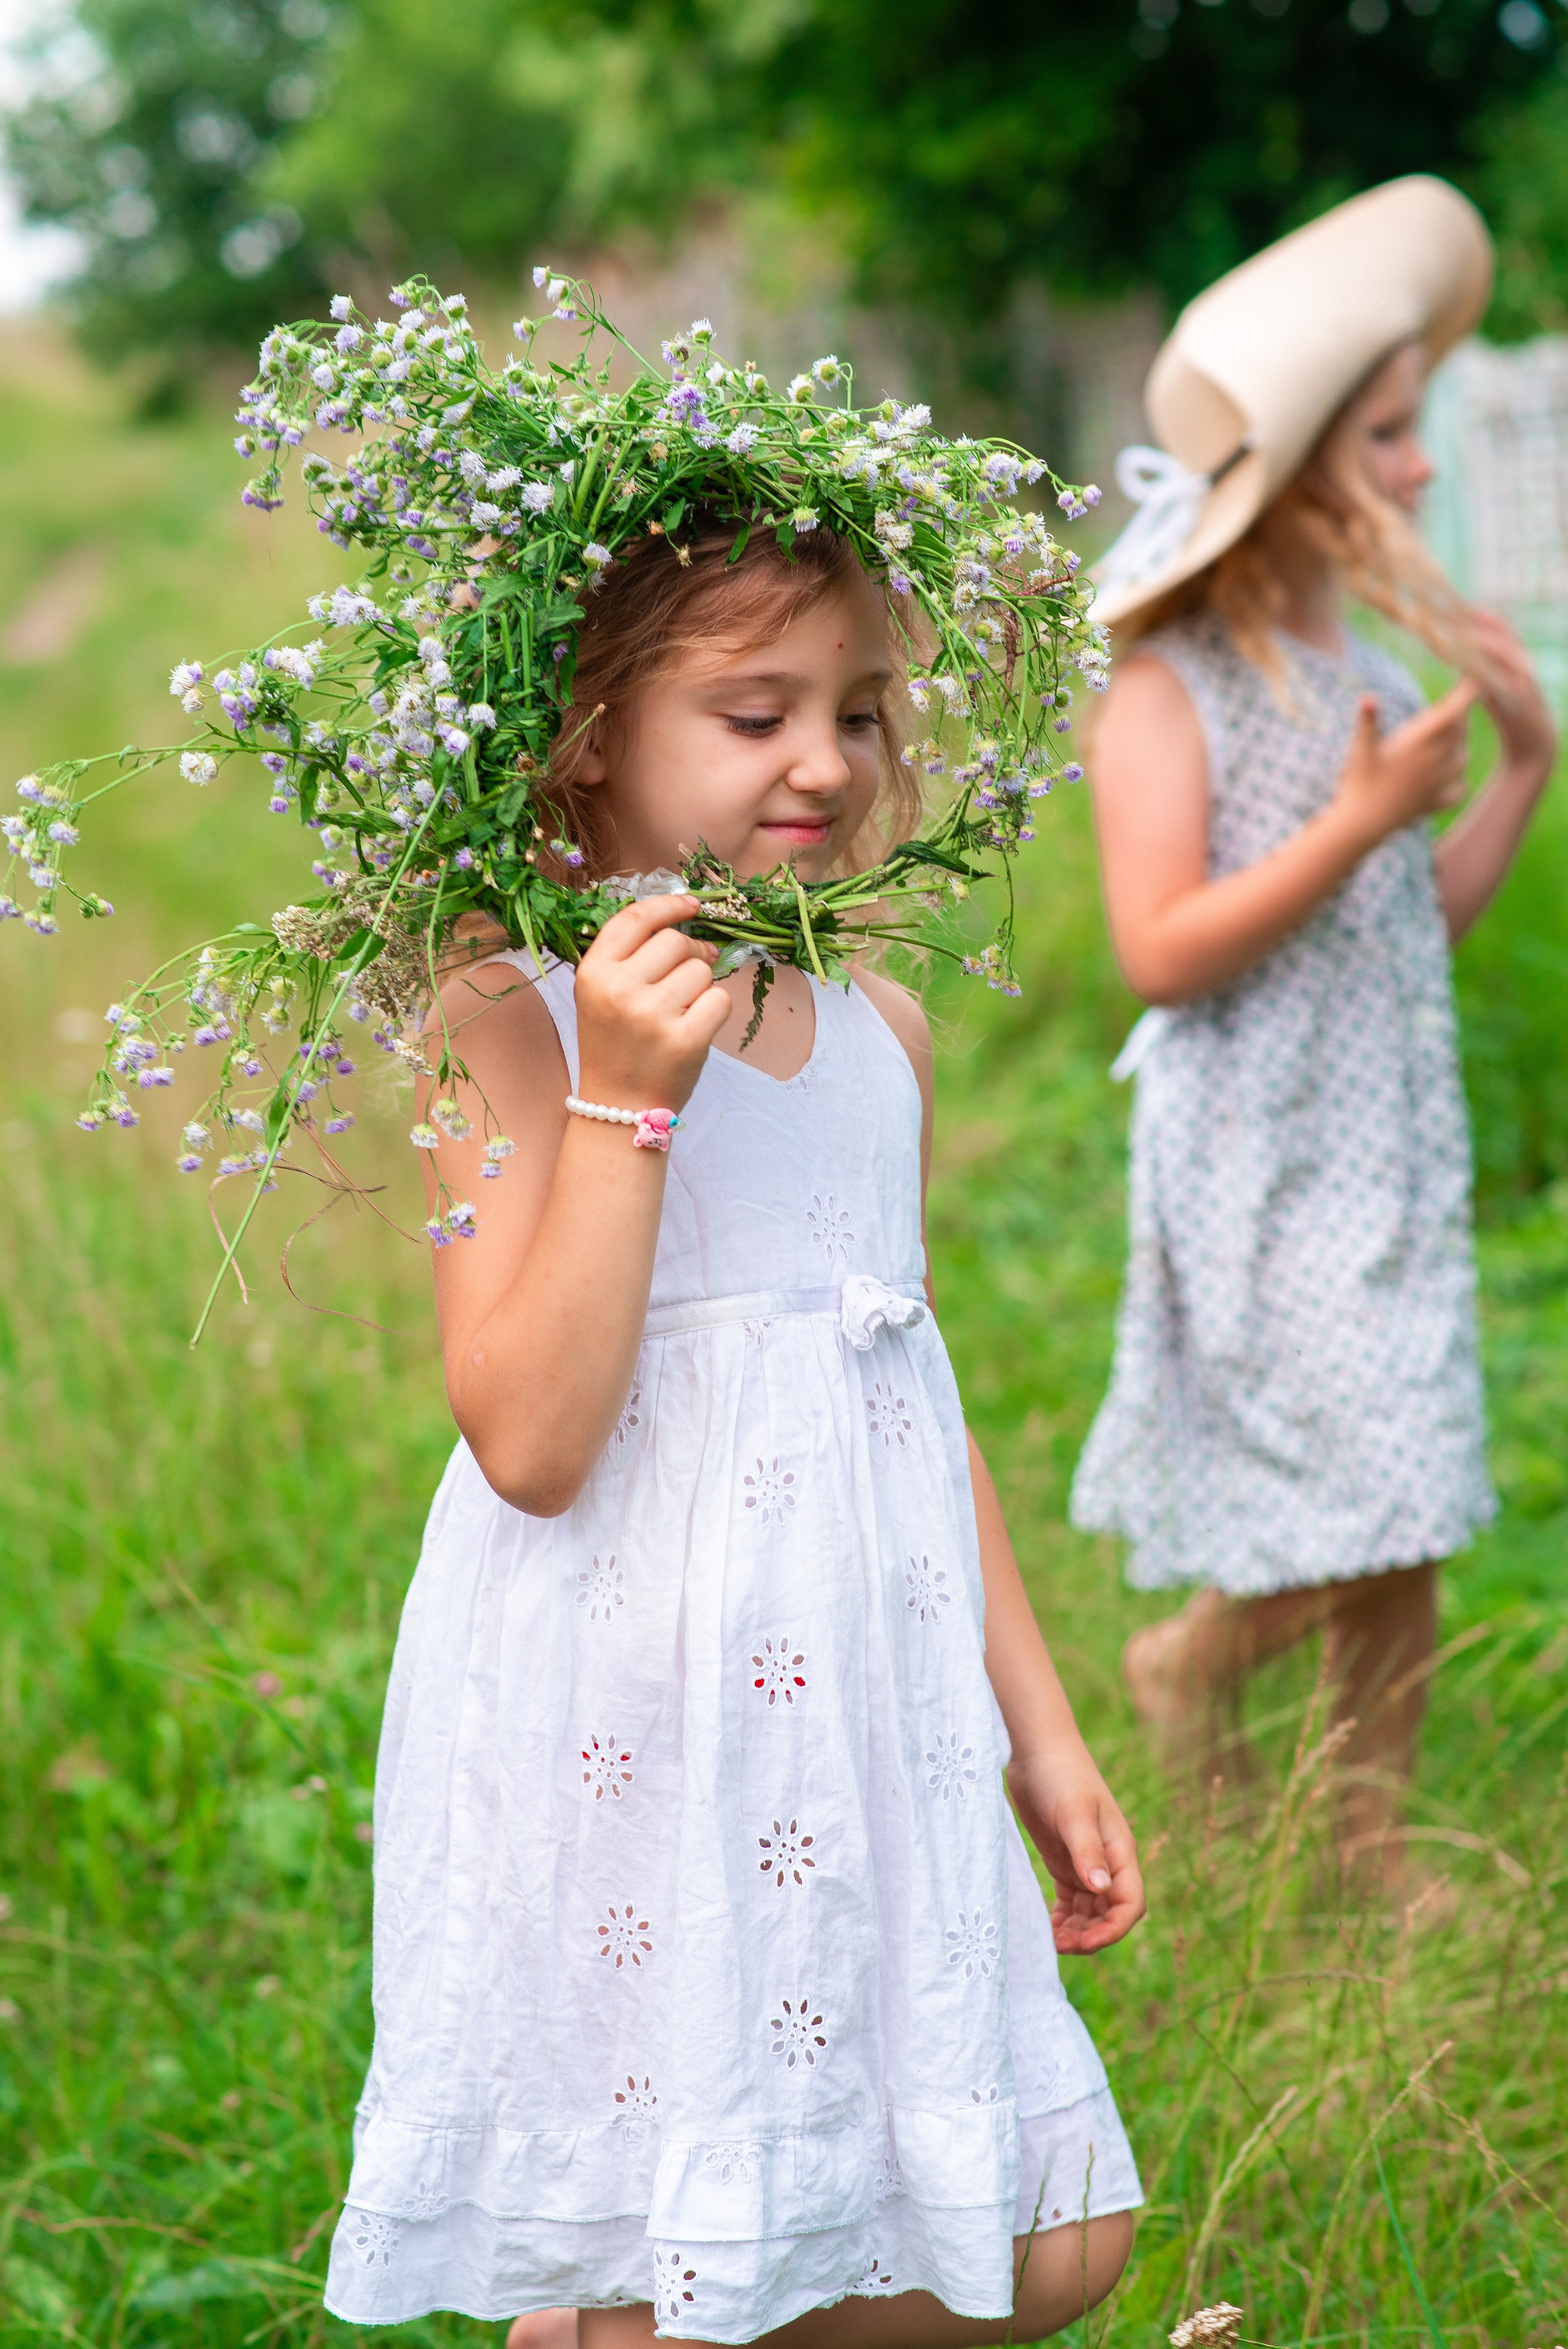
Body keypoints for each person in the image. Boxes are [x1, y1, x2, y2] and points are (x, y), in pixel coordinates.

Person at [323, 511, 1145, 2346]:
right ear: (594, 727)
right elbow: (529, 1436)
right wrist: (629, 1097)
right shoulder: (502, 1018)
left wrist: (1043, 1723)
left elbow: (904, 1390)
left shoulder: (880, 1029)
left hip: (855, 1714)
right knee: (699, 2260)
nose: (828, 762)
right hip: (631, 1725)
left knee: (1047, 2234)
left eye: (857, 711)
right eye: (754, 711)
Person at [1069, 178, 1556, 1866]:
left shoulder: (1367, 663)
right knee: (1348, 1502)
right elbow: (1158, 948)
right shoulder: (1170, 681)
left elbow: (1403, 929)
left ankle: (1365, 1846)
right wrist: (1351, 820)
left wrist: (1520, 769)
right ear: (1301, 466)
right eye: (1394, 432)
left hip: (1385, 1135)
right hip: (1260, 1156)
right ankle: (1186, 1665)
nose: (1423, 469)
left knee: (1408, 1495)